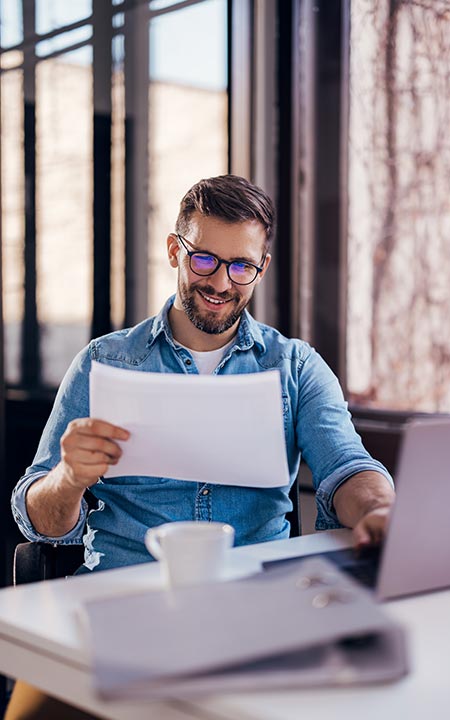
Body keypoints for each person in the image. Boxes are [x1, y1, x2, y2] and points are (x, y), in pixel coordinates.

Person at [7, 174, 395, 719]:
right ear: (174, 249)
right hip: (120, 602)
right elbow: (38, 520)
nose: (222, 282)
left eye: (243, 266)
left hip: (254, 612)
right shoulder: (104, 361)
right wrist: (69, 478)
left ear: (259, 268)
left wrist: (378, 508)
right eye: (205, 260)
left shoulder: (295, 366)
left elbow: (348, 468)